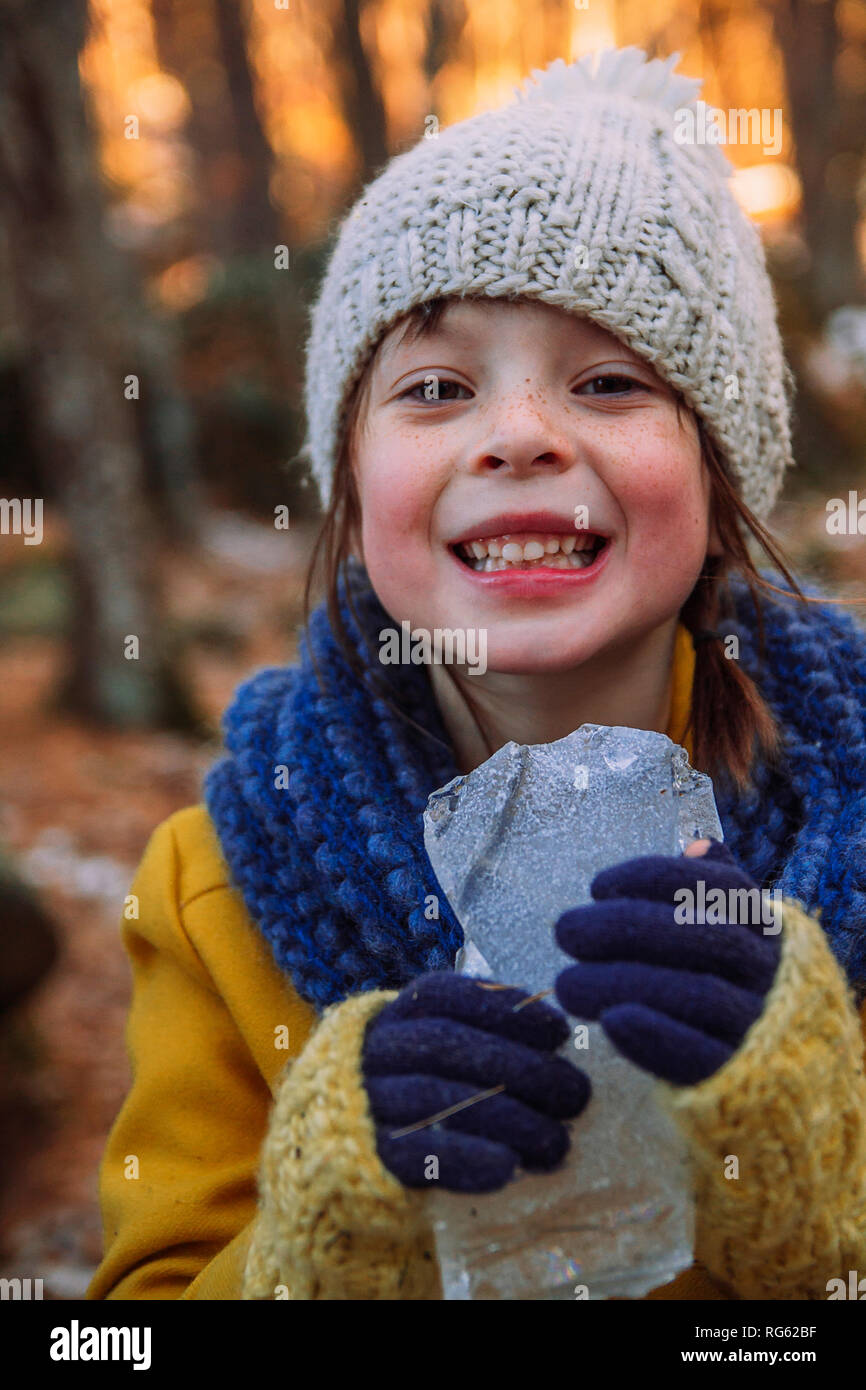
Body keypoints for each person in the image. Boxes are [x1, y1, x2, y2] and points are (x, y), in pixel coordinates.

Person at [86, 46, 866, 1301]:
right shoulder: (219, 885)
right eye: (436, 387)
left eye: (607, 380)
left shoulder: (856, 812)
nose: (517, 435)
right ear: (349, 487)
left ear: (721, 481)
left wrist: (795, 1155)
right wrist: (342, 1223)